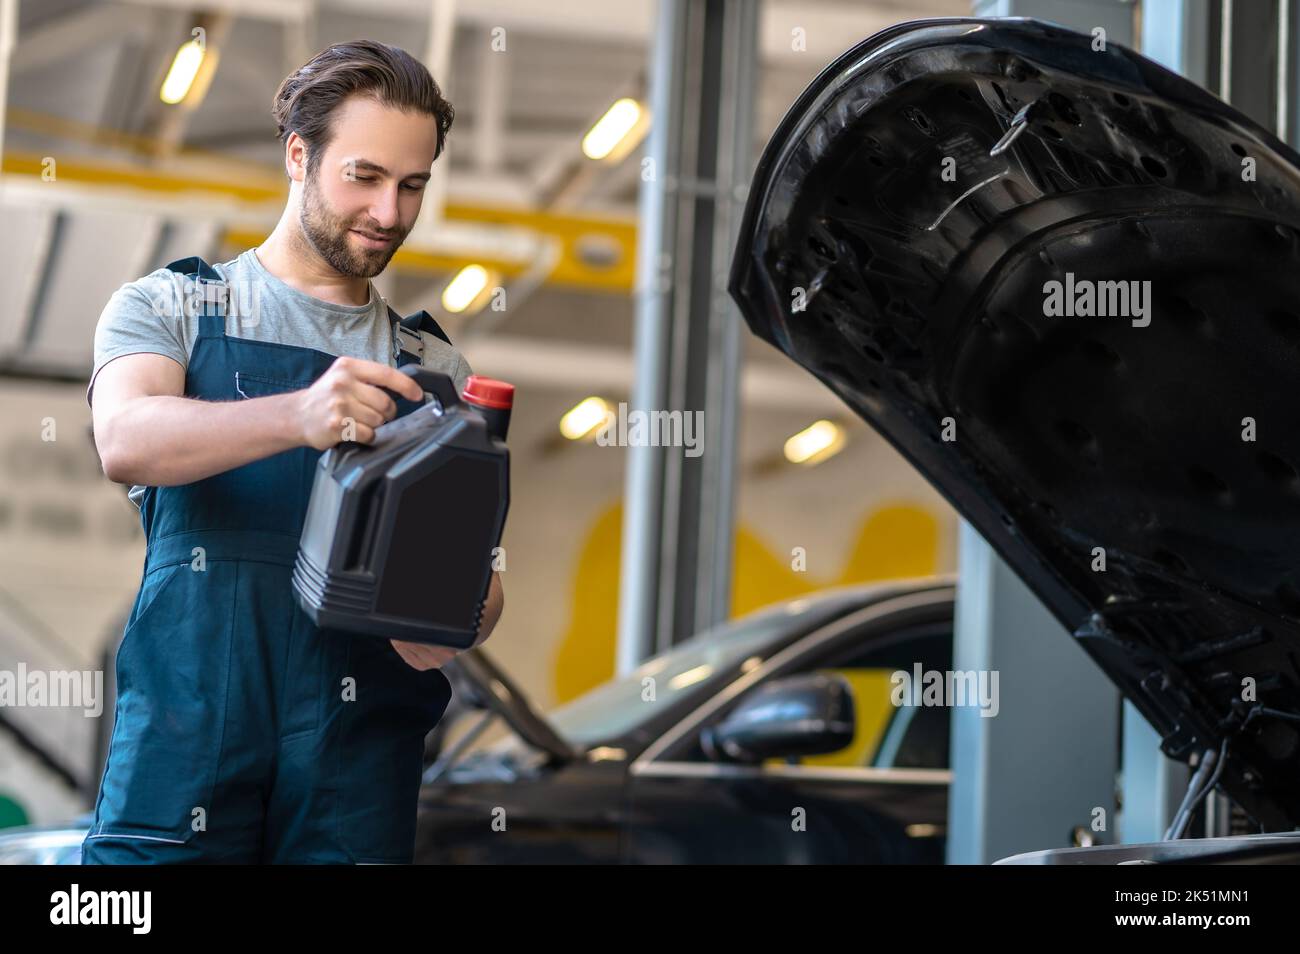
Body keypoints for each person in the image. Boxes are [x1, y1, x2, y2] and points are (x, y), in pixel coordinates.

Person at [81, 39, 503, 864]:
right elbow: (125, 440)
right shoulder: (173, 306)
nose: (390, 213)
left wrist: (453, 617)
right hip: (186, 740)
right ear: (299, 155)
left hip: (356, 768)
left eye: (412, 186)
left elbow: (485, 589)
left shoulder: (435, 368)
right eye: (366, 177)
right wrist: (302, 414)